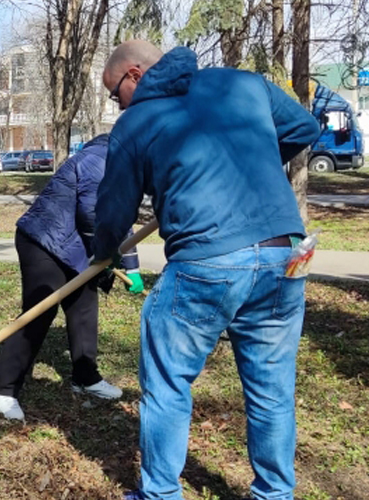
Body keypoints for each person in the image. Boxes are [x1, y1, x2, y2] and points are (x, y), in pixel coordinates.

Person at [92, 41, 320, 500]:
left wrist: (103, 256)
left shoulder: (137, 121)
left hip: (208, 259)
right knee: (272, 389)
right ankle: (275, 494)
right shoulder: (241, 82)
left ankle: (159, 493)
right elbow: (303, 126)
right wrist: (248, 162)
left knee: (167, 381)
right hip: (285, 254)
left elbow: (114, 210)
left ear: (133, 75)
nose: (118, 104)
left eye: (116, 94)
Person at [0, 133, 143, 422]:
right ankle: (1, 388)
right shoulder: (101, 159)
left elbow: (121, 218)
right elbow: (94, 213)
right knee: (39, 311)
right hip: (43, 241)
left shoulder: (123, 163)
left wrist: (131, 267)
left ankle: (85, 377)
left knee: (84, 308)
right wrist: (106, 253)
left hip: (75, 246)